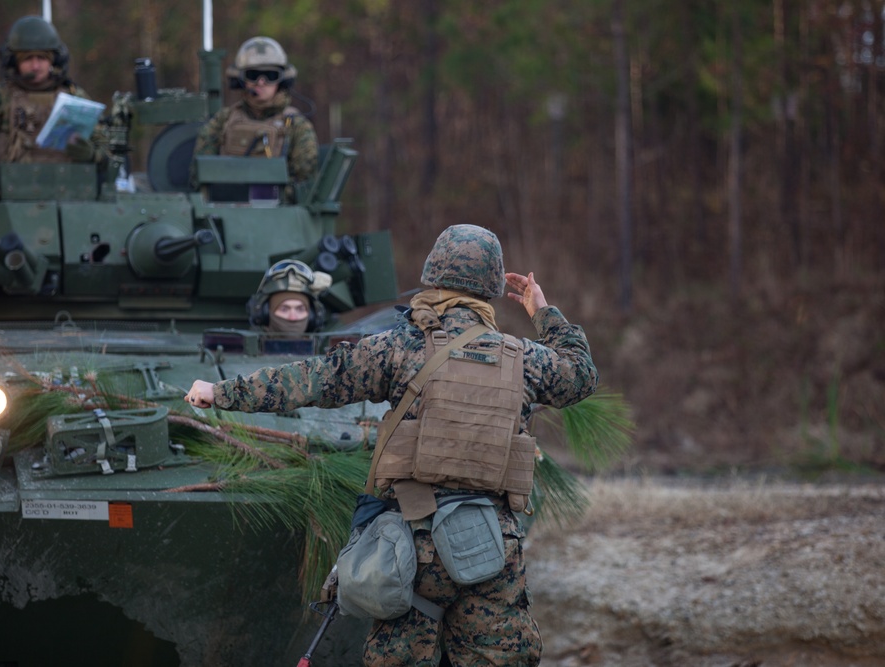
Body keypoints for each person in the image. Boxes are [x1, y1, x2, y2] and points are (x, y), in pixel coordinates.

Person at [184, 224, 599, 665]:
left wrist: (221, 392)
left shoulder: (398, 347)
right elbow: (581, 375)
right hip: (490, 547)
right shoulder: (524, 358)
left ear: (431, 276)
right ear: (492, 288)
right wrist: (542, 311)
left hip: (409, 547)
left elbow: (313, 379)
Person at [0, 15, 106, 165]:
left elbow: (107, 149)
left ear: (53, 60)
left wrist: (92, 155)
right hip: (10, 186)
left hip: (68, 185)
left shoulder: (75, 98)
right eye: (27, 59)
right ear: (14, 62)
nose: (35, 66)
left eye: (41, 58)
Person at [189, 36, 318, 200]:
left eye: (270, 75)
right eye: (253, 75)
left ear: (282, 80)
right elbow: (200, 172)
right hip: (225, 210)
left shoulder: (296, 125)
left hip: (278, 215)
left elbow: (305, 181)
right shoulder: (224, 120)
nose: (261, 82)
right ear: (241, 80)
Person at [246, 259, 331, 334]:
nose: (293, 317)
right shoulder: (242, 349)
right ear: (265, 313)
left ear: (312, 315)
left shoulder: (330, 349)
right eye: (284, 309)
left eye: (300, 309)